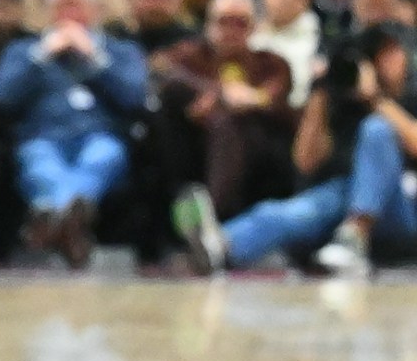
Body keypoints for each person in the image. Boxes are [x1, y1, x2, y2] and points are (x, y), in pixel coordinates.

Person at [178, 23, 417, 278]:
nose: (387, 61)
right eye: (379, 55)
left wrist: (376, 99)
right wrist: (320, 93)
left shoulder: (407, 97)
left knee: (376, 130)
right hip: (339, 208)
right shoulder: (341, 103)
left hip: (402, 209)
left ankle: (354, 234)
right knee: (299, 208)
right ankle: (221, 246)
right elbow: (305, 163)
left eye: (393, 52)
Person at [0, 0, 149, 265]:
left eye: (76, 4)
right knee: (40, 164)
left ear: (94, 8)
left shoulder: (121, 51)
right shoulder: (23, 51)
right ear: (48, 9)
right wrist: (41, 56)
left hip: (100, 135)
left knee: (102, 157)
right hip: (42, 137)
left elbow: (134, 99)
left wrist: (96, 59)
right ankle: (72, 223)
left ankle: (56, 220)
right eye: (62, 5)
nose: (69, 14)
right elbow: (2, 98)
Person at [157, 0, 296, 221]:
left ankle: (212, 218)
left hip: (256, 149)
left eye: (240, 23)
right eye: (223, 22)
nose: (231, 30)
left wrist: (248, 100)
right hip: (191, 147)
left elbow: (274, 97)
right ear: (208, 25)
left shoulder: (271, 63)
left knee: (230, 122)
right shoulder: (187, 56)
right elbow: (164, 74)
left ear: (254, 28)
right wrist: (220, 93)